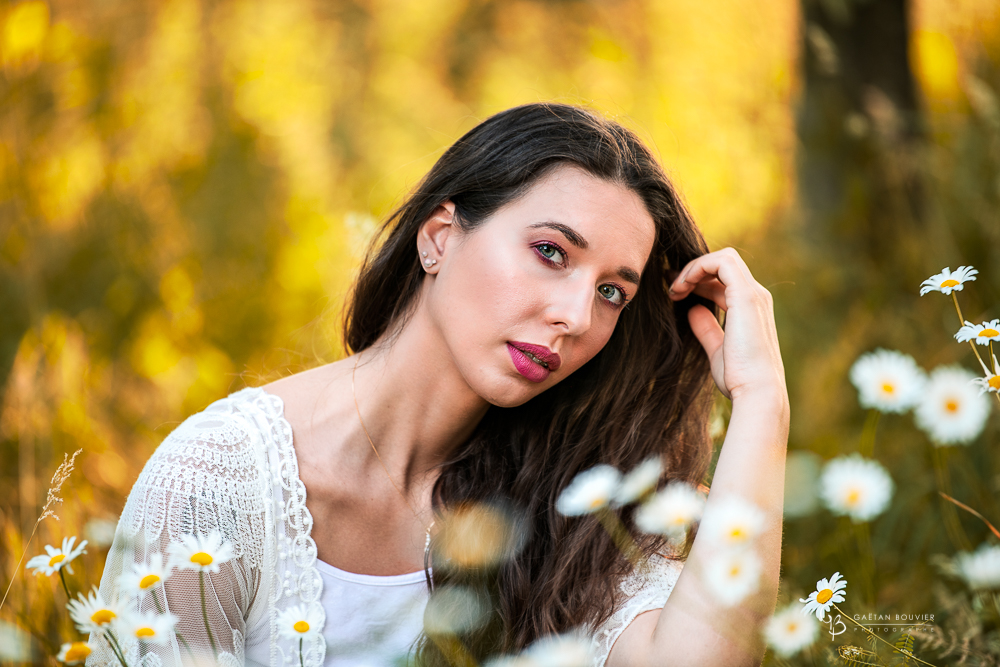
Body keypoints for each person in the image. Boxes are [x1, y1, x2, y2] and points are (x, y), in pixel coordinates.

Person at [87, 103, 789, 667]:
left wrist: (761, 401)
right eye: (551, 252)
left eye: (611, 291)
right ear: (439, 238)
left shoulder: (565, 501)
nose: (575, 316)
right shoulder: (221, 481)